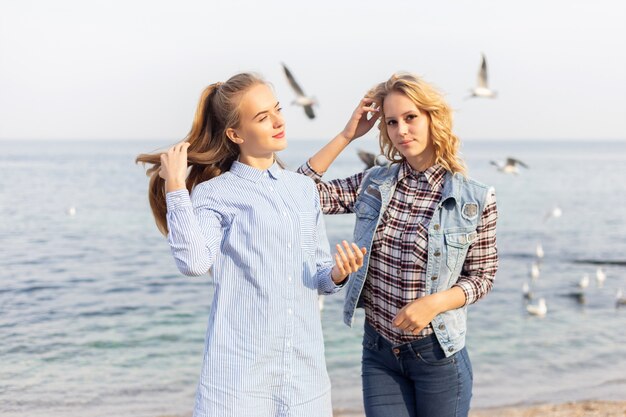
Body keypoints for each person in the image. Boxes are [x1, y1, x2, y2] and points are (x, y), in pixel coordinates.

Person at [136, 72, 367, 417]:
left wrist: (336, 274)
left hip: (305, 379)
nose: (278, 121)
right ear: (235, 133)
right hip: (239, 382)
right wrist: (174, 187)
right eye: (263, 117)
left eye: (276, 110)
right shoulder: (215, 193)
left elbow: (319, 278)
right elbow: (194, 263)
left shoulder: (302, 190)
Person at [297, 73, 498, 417]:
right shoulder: (374, 182)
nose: (401, 130)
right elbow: (299, 195)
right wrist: (347, 135)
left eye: (410, 118)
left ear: (433, 118)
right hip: (379, 352)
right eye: (392, 122)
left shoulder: (474, 198)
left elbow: (482, 276)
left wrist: (434, 304)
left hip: (438, 355)